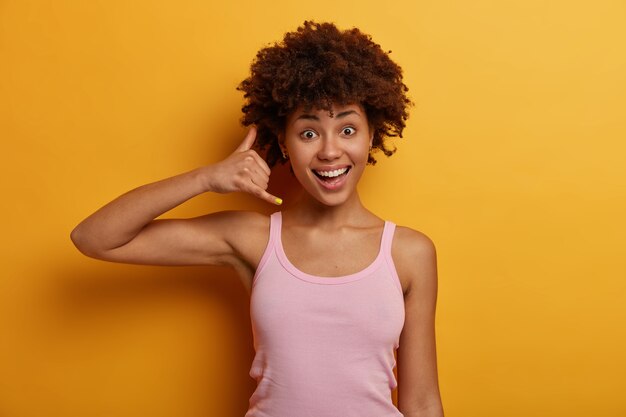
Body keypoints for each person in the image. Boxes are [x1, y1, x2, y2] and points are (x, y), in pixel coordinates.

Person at [71, 20, 444, 417]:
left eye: (348, 128)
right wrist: (205, 178)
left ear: (372, 135)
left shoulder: (409, 252)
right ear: (284, 142)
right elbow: (94, 238)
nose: (330, 151)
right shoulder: (254, 238)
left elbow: (421, 402)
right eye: (309, 133)